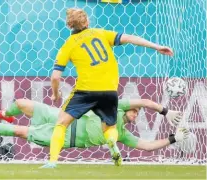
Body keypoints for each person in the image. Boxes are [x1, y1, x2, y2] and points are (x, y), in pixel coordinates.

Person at [46, 8, 174, 168]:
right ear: (87, 22)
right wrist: (156, 46)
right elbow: (130, 38)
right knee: (110, 127)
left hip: (85, 90)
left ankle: (52, 162)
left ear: (69, 25)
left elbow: (55, 77)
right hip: (109, 91)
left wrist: (55, 93)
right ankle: (112, 142)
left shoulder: (68, 45)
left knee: (61, 123)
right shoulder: (101, 33)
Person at [0, 98, 188, 165]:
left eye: (136, 113)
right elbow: (146, 101)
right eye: (135, 111)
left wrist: (173, 138)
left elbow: (147, 146)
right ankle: (3, 112)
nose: (136, 113)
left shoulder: (121, 133)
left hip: (64, 137)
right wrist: (165, 111)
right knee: (23, 103)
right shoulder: (116, 107)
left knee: (18, 131)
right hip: (62, 116)